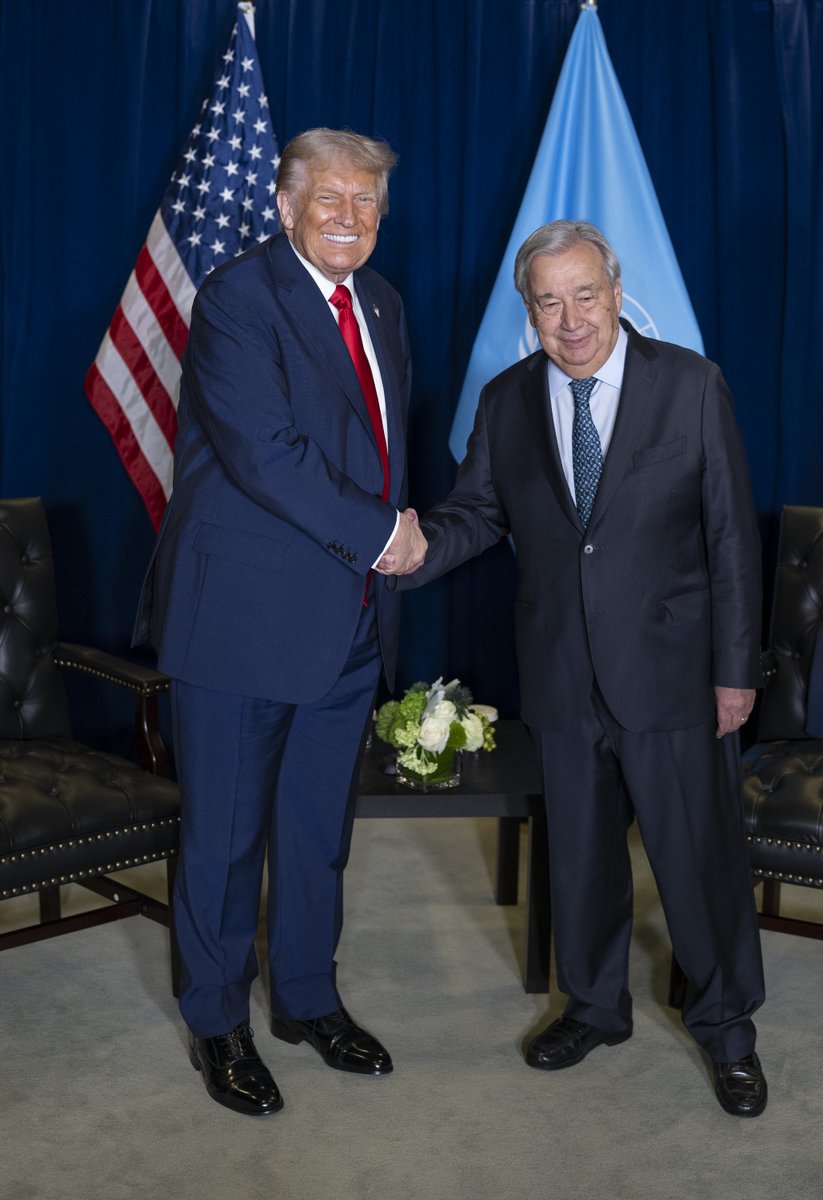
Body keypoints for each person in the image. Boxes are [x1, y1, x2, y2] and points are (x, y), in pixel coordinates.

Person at [385, 219, 767, 1117]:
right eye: (547, 302)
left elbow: (729, 539)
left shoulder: (690, 386)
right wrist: (408, 548)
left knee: (696, 860)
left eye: (584, 296)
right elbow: (477, 512)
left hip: (673, 670)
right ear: (529, 310)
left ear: (616, 291)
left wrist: (733, 670)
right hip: (558, 671)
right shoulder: (507, 398)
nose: (569, 321)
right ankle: (594, 1007)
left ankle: (727, 1031)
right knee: (582, 858)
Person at [135, 128, 426, 1117]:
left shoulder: (380, 302)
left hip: (347, 618)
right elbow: (266, 454)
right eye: (331, 199)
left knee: (315, 832)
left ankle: (306, 998)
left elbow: (378, 446)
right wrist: (386, 535)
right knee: (221, 838)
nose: (350, 217)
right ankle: (218, 1022)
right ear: (286, 203)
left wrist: (381, 547)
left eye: (367, 202)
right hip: (243, 620)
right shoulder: (236, 298)